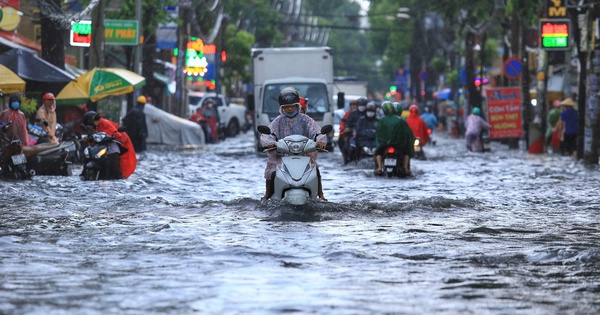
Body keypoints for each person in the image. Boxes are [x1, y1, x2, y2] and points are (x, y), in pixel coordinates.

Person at [260, 87, 327, 201]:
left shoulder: (306, 119)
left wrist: (320, 141)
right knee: (271, 170)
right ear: (282, 108)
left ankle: (321, 195)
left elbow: (316, 131)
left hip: (304, 154)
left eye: (292, 106)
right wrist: (270, 143)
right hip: (281, 156)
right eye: (286, 107)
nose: (290, 109)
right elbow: (269, 134)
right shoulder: (278, 120)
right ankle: (267, 194)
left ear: (298, 106)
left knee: (315, 169)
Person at [83, 111, 137, 179]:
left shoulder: (105, 123)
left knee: (113, 163)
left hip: (113, 145)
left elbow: (114, 133)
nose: (89, 127)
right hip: (102, 146)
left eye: (89, 125)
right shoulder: (97, 126)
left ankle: (116, 176)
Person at [374, 101, 415, 176]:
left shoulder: (382, 121)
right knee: (406, 153)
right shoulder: (401, 120)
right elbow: (408, 134)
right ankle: (405, 168)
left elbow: (378, 134)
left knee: (377, 153)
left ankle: (379, 167)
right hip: (399, 145)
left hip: (384, 145)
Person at [339, 99, 357, 164]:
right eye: (352, 105)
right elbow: (343, 123)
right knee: (344, 145)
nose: (353, 106)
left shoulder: (361, 114)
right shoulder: (348, 114)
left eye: (355, 105)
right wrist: (344, 131)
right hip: (349, 133)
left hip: (358, 134)